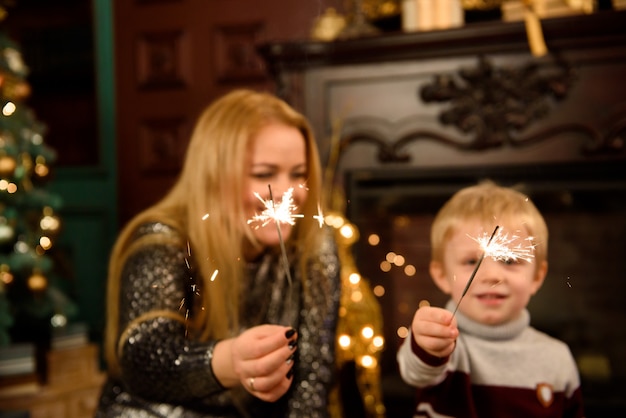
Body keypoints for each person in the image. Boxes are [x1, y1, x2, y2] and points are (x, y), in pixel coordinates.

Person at [96, 89, 341, 417]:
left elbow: (313, 377)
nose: (287, 192)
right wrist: (228, 361)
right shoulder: (164, 241)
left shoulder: (315, 246)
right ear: (214, 176)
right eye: (264, 173)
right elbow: (144, 359)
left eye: (298, 174)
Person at [397, 181, 585, 418]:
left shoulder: (557, 358)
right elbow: (416, 372)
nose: (492, 276)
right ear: (441, 275)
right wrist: (428, 344)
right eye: (470, 261)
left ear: (537, 277)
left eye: (509, 261)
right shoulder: (444, 347)